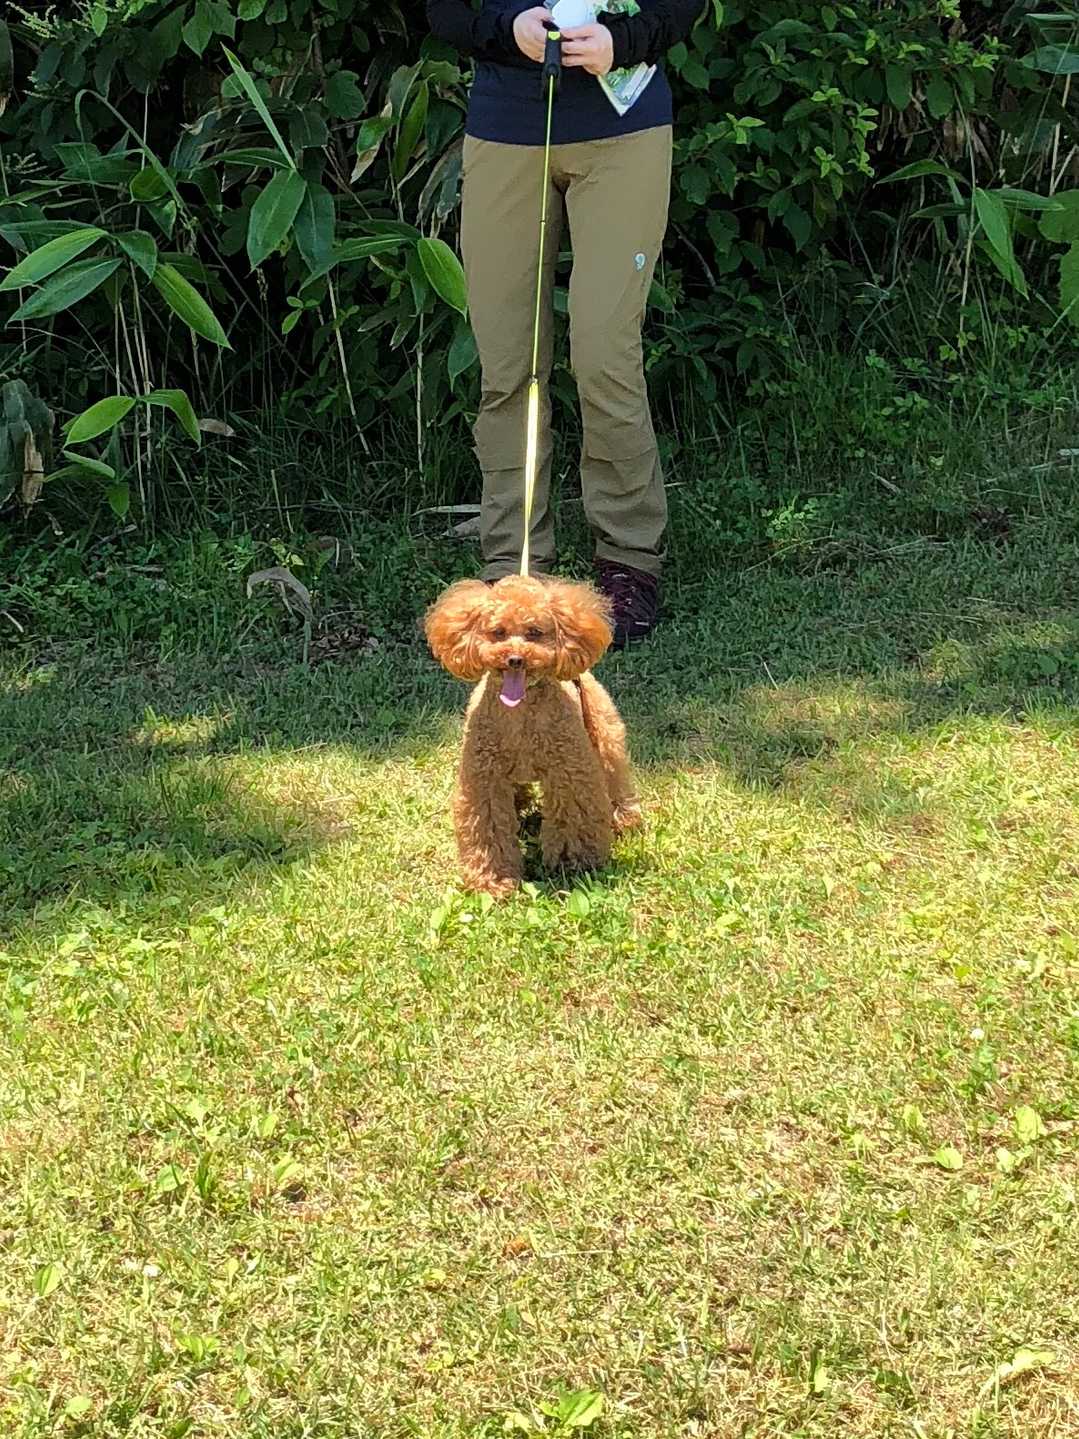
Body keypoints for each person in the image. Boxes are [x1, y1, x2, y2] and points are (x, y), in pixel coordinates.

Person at [426, 0, 703, 647]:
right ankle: (513, 566)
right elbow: (443, 10)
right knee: (508, 363)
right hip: (504, 133)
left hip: (625, 133)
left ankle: (629, 561)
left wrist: (622, 41)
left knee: (605, 354)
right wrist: (506, 28)